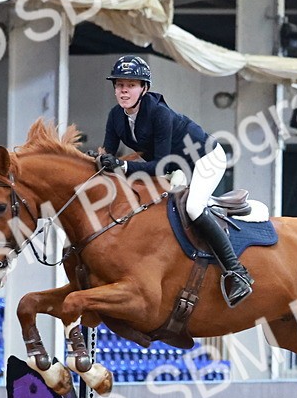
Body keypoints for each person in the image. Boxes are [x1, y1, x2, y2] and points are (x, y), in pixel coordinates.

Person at [95, 55, 253, 307]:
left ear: (144, 89)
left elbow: (160, 165)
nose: (124, 90)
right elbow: (108, 155)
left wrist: (123, 165)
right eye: (119, 85)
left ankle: (237, 273)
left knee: (193, 207)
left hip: (205, 158)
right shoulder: (116, 116)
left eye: (131, 85)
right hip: (175, 164)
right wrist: (97, 160)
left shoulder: (159, 114)